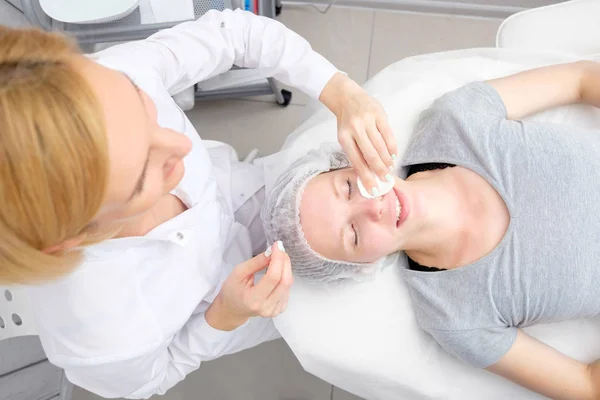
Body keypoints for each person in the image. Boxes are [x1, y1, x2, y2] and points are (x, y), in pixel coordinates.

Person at [0, 9, 398, 398]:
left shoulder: (103, 85)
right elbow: (152, 380)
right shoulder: (104, 334)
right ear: (75, 237)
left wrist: (340, 91)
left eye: (145, 106)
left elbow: (234, 34)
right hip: (240, 301)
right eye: (143, 176)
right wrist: (224, 315)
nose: (185, 144)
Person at [262, 60, 600, 400]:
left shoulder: (457, 120)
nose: (372, 208)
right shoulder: (456, 317)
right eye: (353, 234)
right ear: (360, 265)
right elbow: (587, 385)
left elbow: (581, 79)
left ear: (352, 162)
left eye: (349, 188)